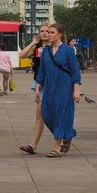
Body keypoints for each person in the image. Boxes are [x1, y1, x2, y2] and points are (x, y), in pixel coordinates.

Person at [36, 23, 81, 158]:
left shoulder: (67, 50)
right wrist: (38, 86)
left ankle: (57, 148)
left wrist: (76, 90)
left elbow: (75, 71)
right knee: (46, 113)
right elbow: (42, 70)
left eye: (51, 32)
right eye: (48, 32)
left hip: (64, 86)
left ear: (59, 35)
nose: (48, 34)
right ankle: (66, 134)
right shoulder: (46, 51)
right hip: (49, 87)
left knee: (60, 114)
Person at [19, 24, 50, 155]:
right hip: (40, 83)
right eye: (42, 31)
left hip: (53, 83)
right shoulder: (37, 47)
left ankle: (64, 136)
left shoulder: (55, 47)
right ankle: (33, 145)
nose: (44, 33)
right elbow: (22, 55)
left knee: (51, 113)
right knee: (40, 113)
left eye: (47, 31)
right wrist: (33, 42)